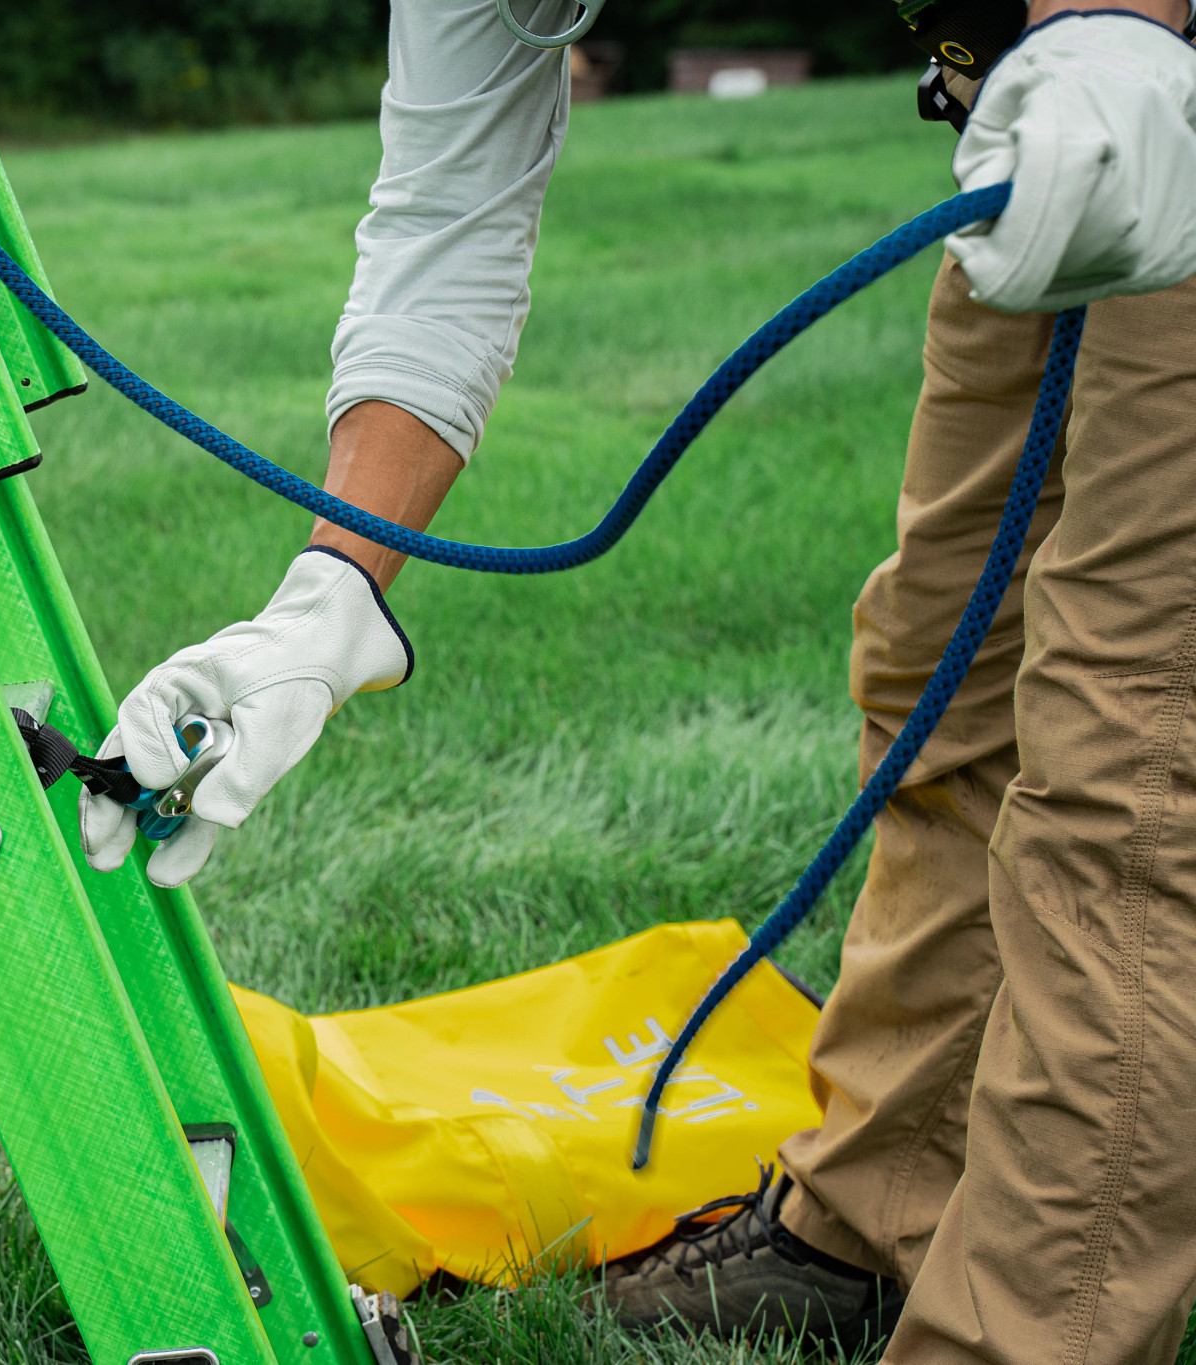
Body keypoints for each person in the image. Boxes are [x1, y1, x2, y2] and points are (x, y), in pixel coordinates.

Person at [78, 0, 1196, 1358]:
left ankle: (1024, 1333)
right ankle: (869, 1225)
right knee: (940, 672)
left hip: (1152, 86)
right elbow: (445, 228)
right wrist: (329, 598)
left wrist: (1115, 28)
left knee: (1131, 758)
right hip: (1036, 120)